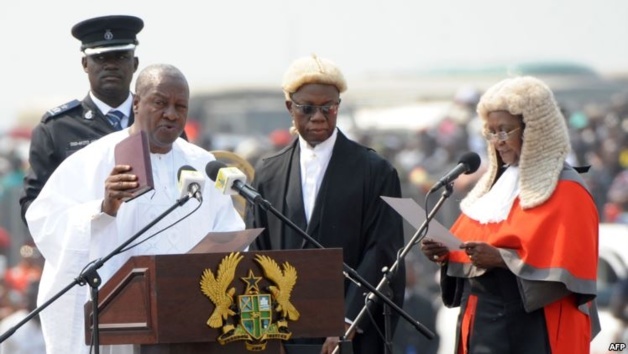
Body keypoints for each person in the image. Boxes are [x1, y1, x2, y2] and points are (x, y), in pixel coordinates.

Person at [25, 64, 244, 354]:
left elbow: (229, 234)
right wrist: (103, 208)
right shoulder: (93, 160)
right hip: (119, 326)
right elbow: (45, 223)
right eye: (160, 102)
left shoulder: (202, 163)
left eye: (180, 106)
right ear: (137, 103)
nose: (171, 113)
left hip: (189, 324)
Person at [421, 76, 599, 354]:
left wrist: (502, 259)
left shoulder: (567, 189)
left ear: (534, 130)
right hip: (483, 321)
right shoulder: (492, 188)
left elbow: (569, 272)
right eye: (490, 132)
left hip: (533, 327)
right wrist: (444, 252)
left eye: (504, 131)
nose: (497, 142)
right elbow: (469, 245)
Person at [247, 54, 406, 354]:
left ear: (338, 107)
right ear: (289, 108)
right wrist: (264, 333)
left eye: (328, 107)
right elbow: (255, 257)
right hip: (285, 338)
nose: (318, 117)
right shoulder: (268, 173)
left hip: (352, 335)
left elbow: (384, 250)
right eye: (307, 108)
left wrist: (349, 321)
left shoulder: (376, 170)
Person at [19, 15, 143, 223]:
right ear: (85, 64)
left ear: (135, 63)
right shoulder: (56, 129)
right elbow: (33, 209)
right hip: (89, 250)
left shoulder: (157, 121)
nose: (111, 65)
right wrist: (94, 212)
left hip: (152, 250)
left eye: (120, 56)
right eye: (100, 58)